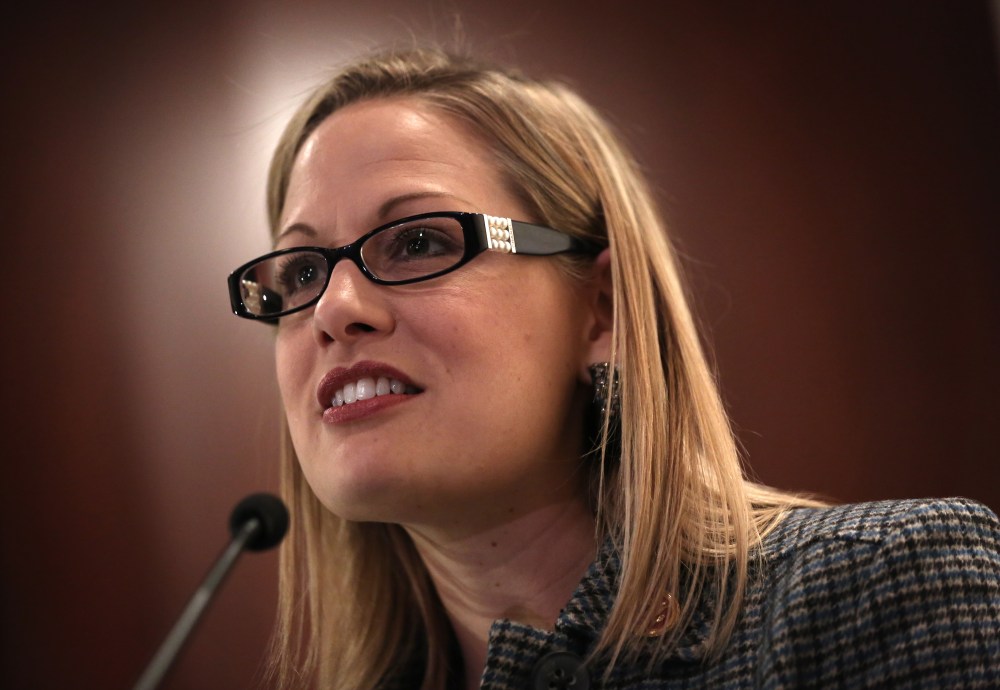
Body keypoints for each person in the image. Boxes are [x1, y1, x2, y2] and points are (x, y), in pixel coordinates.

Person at [226, 47, 1000, 689]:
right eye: (299, 274)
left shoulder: (889, 586)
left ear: (600, 311)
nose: (333, 307)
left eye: (419, 242)